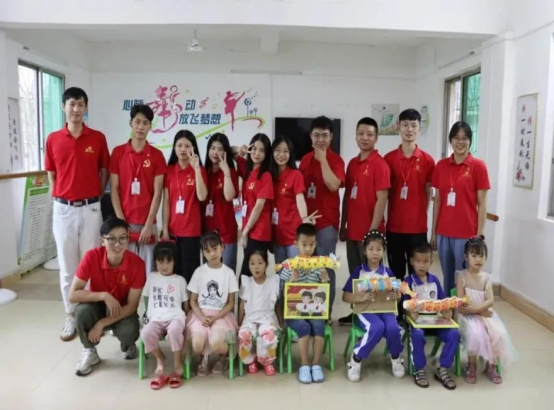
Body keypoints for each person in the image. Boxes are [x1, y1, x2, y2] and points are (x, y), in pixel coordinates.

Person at [45, 87, 110, 342]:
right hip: (63, 210)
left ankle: (92, 314)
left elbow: (104, 171)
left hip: (91, 208)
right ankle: (71, 314)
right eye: (72, 104)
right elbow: (51, 174)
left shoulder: (97, 138)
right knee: (67, 266)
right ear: (64, 107)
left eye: (81, 104)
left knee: (93, 263)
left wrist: (96, 193)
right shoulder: (53, 139)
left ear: (86, 107)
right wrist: (60, 195)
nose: (76, 109)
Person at [68, 217, 145, 376]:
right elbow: (73, 295)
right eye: (111, 239)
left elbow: (132, 306)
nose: (118, 244)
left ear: (128, 239)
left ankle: (127, 345)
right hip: (98, 306)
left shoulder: (137, 264)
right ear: (102, 241)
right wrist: (104, 296)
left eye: (122, 238)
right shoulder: (91, 257)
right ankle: (90, 351)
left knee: (130, 330)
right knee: (81, 312)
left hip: (122, 309)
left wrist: (101, 324)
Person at [339, 117, 390, 326]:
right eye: (361, 133)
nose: (365, 137)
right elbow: (347, 196)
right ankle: (357, 313)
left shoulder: (380, 164)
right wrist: (343, 224)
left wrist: (372, 233)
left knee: (373, 275)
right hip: (352, 231)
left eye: (369, 134)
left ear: (376, 138)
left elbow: (382, 199)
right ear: (355, 136)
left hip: (371, 234)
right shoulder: (352, 164)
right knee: (356, 275)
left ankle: (376, 314)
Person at [431, 122, 490, 294]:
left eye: (465, 138)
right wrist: (434, 232)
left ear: (470, 141)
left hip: (466, 234)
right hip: (443, 232)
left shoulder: (478, 166)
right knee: (448, 276)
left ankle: (463, 308)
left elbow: (482, 203)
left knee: (464, 278)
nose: (460, 142)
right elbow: (438, 201)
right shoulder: (441, 166)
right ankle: (449, 307)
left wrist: (479, 236)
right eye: (456, 138)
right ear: (450, 140)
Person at [110, 104, 166, 276]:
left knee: (149, 273)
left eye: (145, 123)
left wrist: (149, 224)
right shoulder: (118, 153)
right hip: (125, 221)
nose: (141, 127)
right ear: (131, 123)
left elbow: (158, 192)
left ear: (150, 126)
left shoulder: (157, 155)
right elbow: (114, 189)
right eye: (137, 122)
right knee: (124, 272)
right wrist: (121, 223)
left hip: (148, 223)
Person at [342, 231, 405, 383]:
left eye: (379, 249)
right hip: (365, 311)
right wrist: (360, 298)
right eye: (371, 249)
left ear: (383, 251)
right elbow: (345, 296)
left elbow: (397, 295)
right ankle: (356, 358)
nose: (375, 253)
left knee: (393, 328)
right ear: (364, 251)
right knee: (376, 327)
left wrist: (397, 296)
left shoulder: (387, 272)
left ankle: (396, 358)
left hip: (386, 310)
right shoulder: (359, 272)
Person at [299, 116, 345, 316]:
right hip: (307, 223)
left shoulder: (336, 160)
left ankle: (325, 312)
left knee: (326, 268)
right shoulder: (305, 160)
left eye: (324, 135)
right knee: (306, 268)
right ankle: (307, 309)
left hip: (327, 223)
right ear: (310, 136)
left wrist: (323, 159)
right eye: (316, 135)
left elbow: (333, 185)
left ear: (331, 137)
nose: (320, 139)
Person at [456, 238, 518, 384]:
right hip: (467, 315)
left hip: (484, 313)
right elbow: (461, 301)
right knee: (475, 333)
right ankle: (471, 365)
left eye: (481, 255)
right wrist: (478, 311)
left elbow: (490, 300)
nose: (478, 259)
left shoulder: (486, 278)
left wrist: (479, 310)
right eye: (474, 255)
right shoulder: (462, 276)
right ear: (466, 257)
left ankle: (491, 365)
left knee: (498, 333)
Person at [385, 109, 435, 280]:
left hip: (418, 228)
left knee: (418, 274)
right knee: (396, 274)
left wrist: (421, 212)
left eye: (413, 125)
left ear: (419, 128)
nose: (409, 129)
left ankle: (415, 300)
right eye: (405, 125)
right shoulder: (388, 159)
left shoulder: (428, 160)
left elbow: (428, 191)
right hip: (395, 227)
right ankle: (399, 300)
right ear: (398, 126)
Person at [402, 242, 459, 390]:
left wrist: (447, 311)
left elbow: (443, 302)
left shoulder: (435, 281)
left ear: (431, 262)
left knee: (454, 333)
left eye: (426, 261)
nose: (422, 265)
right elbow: (404, 305)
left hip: (435, 321)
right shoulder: (408, 282)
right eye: (418, 261)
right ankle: (419, 369)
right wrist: (410, 312)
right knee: (417, 334)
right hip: (418, 322)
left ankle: (443, 369)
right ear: (412, 261)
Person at [279, 223, 331, 384]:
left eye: (312, 244)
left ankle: (316, 364)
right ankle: (304, 364)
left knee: (319, 326)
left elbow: (324, 295)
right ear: (296, 244)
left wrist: (325, 280)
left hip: (314, 311)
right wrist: (291, 281)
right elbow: (281, 295)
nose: (308, 249)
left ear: (316, 244)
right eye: (304, 244)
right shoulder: (289, 265)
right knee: (303, 327)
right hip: (294, 313)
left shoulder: (319, 265)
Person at [187, 231, 239, 377]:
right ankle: (203, 357)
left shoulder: (229, 273)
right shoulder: (199, 271)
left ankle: (225, 356)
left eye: (215, 248)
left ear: (223, 247)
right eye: (207, 251)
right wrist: (202, 317)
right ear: (203, 253)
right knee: (197, 344)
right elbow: (193, 300)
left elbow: (230, 303)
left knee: (216, 343)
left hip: (221, 315)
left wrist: (216, 318)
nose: (212, 253)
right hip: (200, 315)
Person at [140, 242, 189, 390]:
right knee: (145, 333)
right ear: (155, 262)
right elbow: (146, 297)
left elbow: (185, 304)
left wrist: (186, 320)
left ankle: (177, 362)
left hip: (175, 317)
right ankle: (160, 358)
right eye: (160, 262)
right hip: (155, 317)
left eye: (168, 262)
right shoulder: (152, 277)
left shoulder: (180, 280)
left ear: (174, 261)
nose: (164, 266)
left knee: (174, 330)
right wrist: (148, 313)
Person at [162, 130, 208, 282]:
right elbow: (166, 201)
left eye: (187, 146)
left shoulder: (199, 170)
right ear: (174, 147)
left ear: (193, 148)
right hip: (173, 232)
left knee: (190, 274)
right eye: (179, 145)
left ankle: (189, 299)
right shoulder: (169, 170)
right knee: (173, 274)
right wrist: (165, 229)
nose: (183, 149)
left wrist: (196, 169)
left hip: (191, 231)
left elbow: (202, 196)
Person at [271, 135, 320, 264]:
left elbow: (300, 199)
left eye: (286, 151)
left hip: (293, 234)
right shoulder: (269, 175)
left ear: (290, 153)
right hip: (277, 234)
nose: (281, 155)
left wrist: (304, 218)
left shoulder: (295, 174)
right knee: (281, 272)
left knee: (296, 272)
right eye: (278, 150)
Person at [238, 251, 281, 376]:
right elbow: (242, 304)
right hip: (250, 318)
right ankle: (251, 360)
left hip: (267, 317)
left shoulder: (273, 282)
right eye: (252, 264)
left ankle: (267, 362)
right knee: (244, 335)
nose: (256, 267)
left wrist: (281, 321)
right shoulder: (247, 282)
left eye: (260, 263)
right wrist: (239, 322)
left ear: (266, 264)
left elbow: (276, 304)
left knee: (269, 335)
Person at [204, 133, 240, 271]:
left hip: (226, 232)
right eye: (212, 148)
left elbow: (229, 196)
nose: (215, 152)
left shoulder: (230, 172)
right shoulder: (204, 172)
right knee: (209, 273)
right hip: (207, 231)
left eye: (220, 149)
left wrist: (226, 173)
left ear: (225, 152)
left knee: (227, 272)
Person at [240, 133, 273, 277]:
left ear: (267, 154)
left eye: (262, 150)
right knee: (249, 273)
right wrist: (242, 150)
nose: (257, 153)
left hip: (259, 232)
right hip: (248, 228)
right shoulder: (248, 171)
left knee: (250, 273)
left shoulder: (266, 175)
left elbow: (259, 206)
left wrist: (245, 231)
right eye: (254, 149)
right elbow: (230, 151)